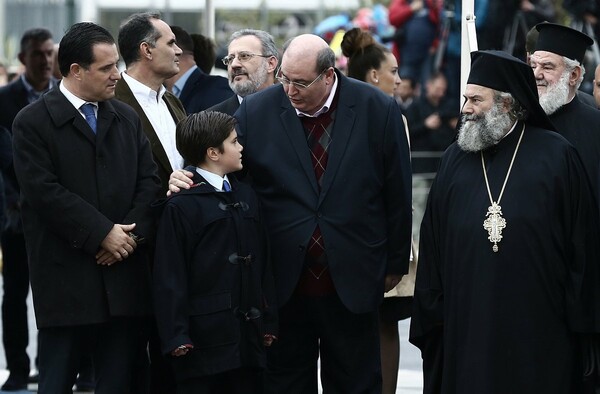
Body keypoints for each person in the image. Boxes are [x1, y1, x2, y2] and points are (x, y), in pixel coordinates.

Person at [170, 33, 412, 393]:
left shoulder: (378, 109)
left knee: (356, 380)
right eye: (283, 77)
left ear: (328, 76)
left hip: (353, 276)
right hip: (282, 281)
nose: (288, 89)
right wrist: (186, 175)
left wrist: (394, 264)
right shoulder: (256, 110)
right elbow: (223, 166)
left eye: (300, 82)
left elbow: (396, 191)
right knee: (283, 381)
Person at [410, 49, 600, 393]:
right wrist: (434, 314)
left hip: (540, 330)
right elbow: (433, 243)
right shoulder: (454, 159)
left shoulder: (557, 156)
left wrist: (583, 327)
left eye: (475, 100)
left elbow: (582, 249)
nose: (465, 108)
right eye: (466, 98)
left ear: (507, 104)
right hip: (467, 325)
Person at [11, 22, 161, 393]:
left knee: (120, 382)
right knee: (57, 382)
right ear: (75, 71)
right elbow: (44, 193)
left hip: (124, 284)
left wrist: (126, 238)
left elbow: (150, 183)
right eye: (107, 68)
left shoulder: (125, 118)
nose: (117, 75)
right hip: (66, 286)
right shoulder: (32, 122)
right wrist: (101, 234)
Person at [154, 111, 277, 394]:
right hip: (202, 342)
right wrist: (177, 337)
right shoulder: (181, 206)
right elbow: (170, 275)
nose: (241, 147)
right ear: (213, 152)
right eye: (234, 142)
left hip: (247, 338)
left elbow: (263, 264)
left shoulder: (246, 196)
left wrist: (268, 322)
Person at [115, 11, 188, 393]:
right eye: (171, 43)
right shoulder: (112, 101)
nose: (179, 50)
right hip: (132, 254)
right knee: (128, 367)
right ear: (146, 50)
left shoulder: (172, 102)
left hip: (175, 255)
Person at [340, 26, 413, 394]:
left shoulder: (342, 110)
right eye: (393, 71)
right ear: (373, 75)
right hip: (376, 242)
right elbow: (397, 189)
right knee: (382, 326)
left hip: (351, 242)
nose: (399, 80)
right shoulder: (388, 116)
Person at [0, 27, 58, 391]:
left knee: (59, 295)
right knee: (16, 294)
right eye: (39, 53)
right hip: (17, 215)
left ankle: (54, 368)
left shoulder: (64, 96)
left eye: (50, 53)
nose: (46, 60)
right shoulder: (4, 100)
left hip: (58, 216)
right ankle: (18, 370)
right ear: (23, 59)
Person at [530, 23, 600, 204]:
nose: (536, 74)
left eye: (547, 67)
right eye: (533, 65)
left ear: (574, 75)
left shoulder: (595, 127)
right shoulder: (519, 120)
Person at [208, 29, 279, 116]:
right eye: (230, 59)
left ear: (270, 64)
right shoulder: (213, 119)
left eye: (244, 56)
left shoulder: (295, 109)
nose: (234, 65)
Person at [165, 26, 233, 113]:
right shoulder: (163, 95)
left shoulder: (217, 91)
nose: (148, 54)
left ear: (176, 50)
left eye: (153, 47)